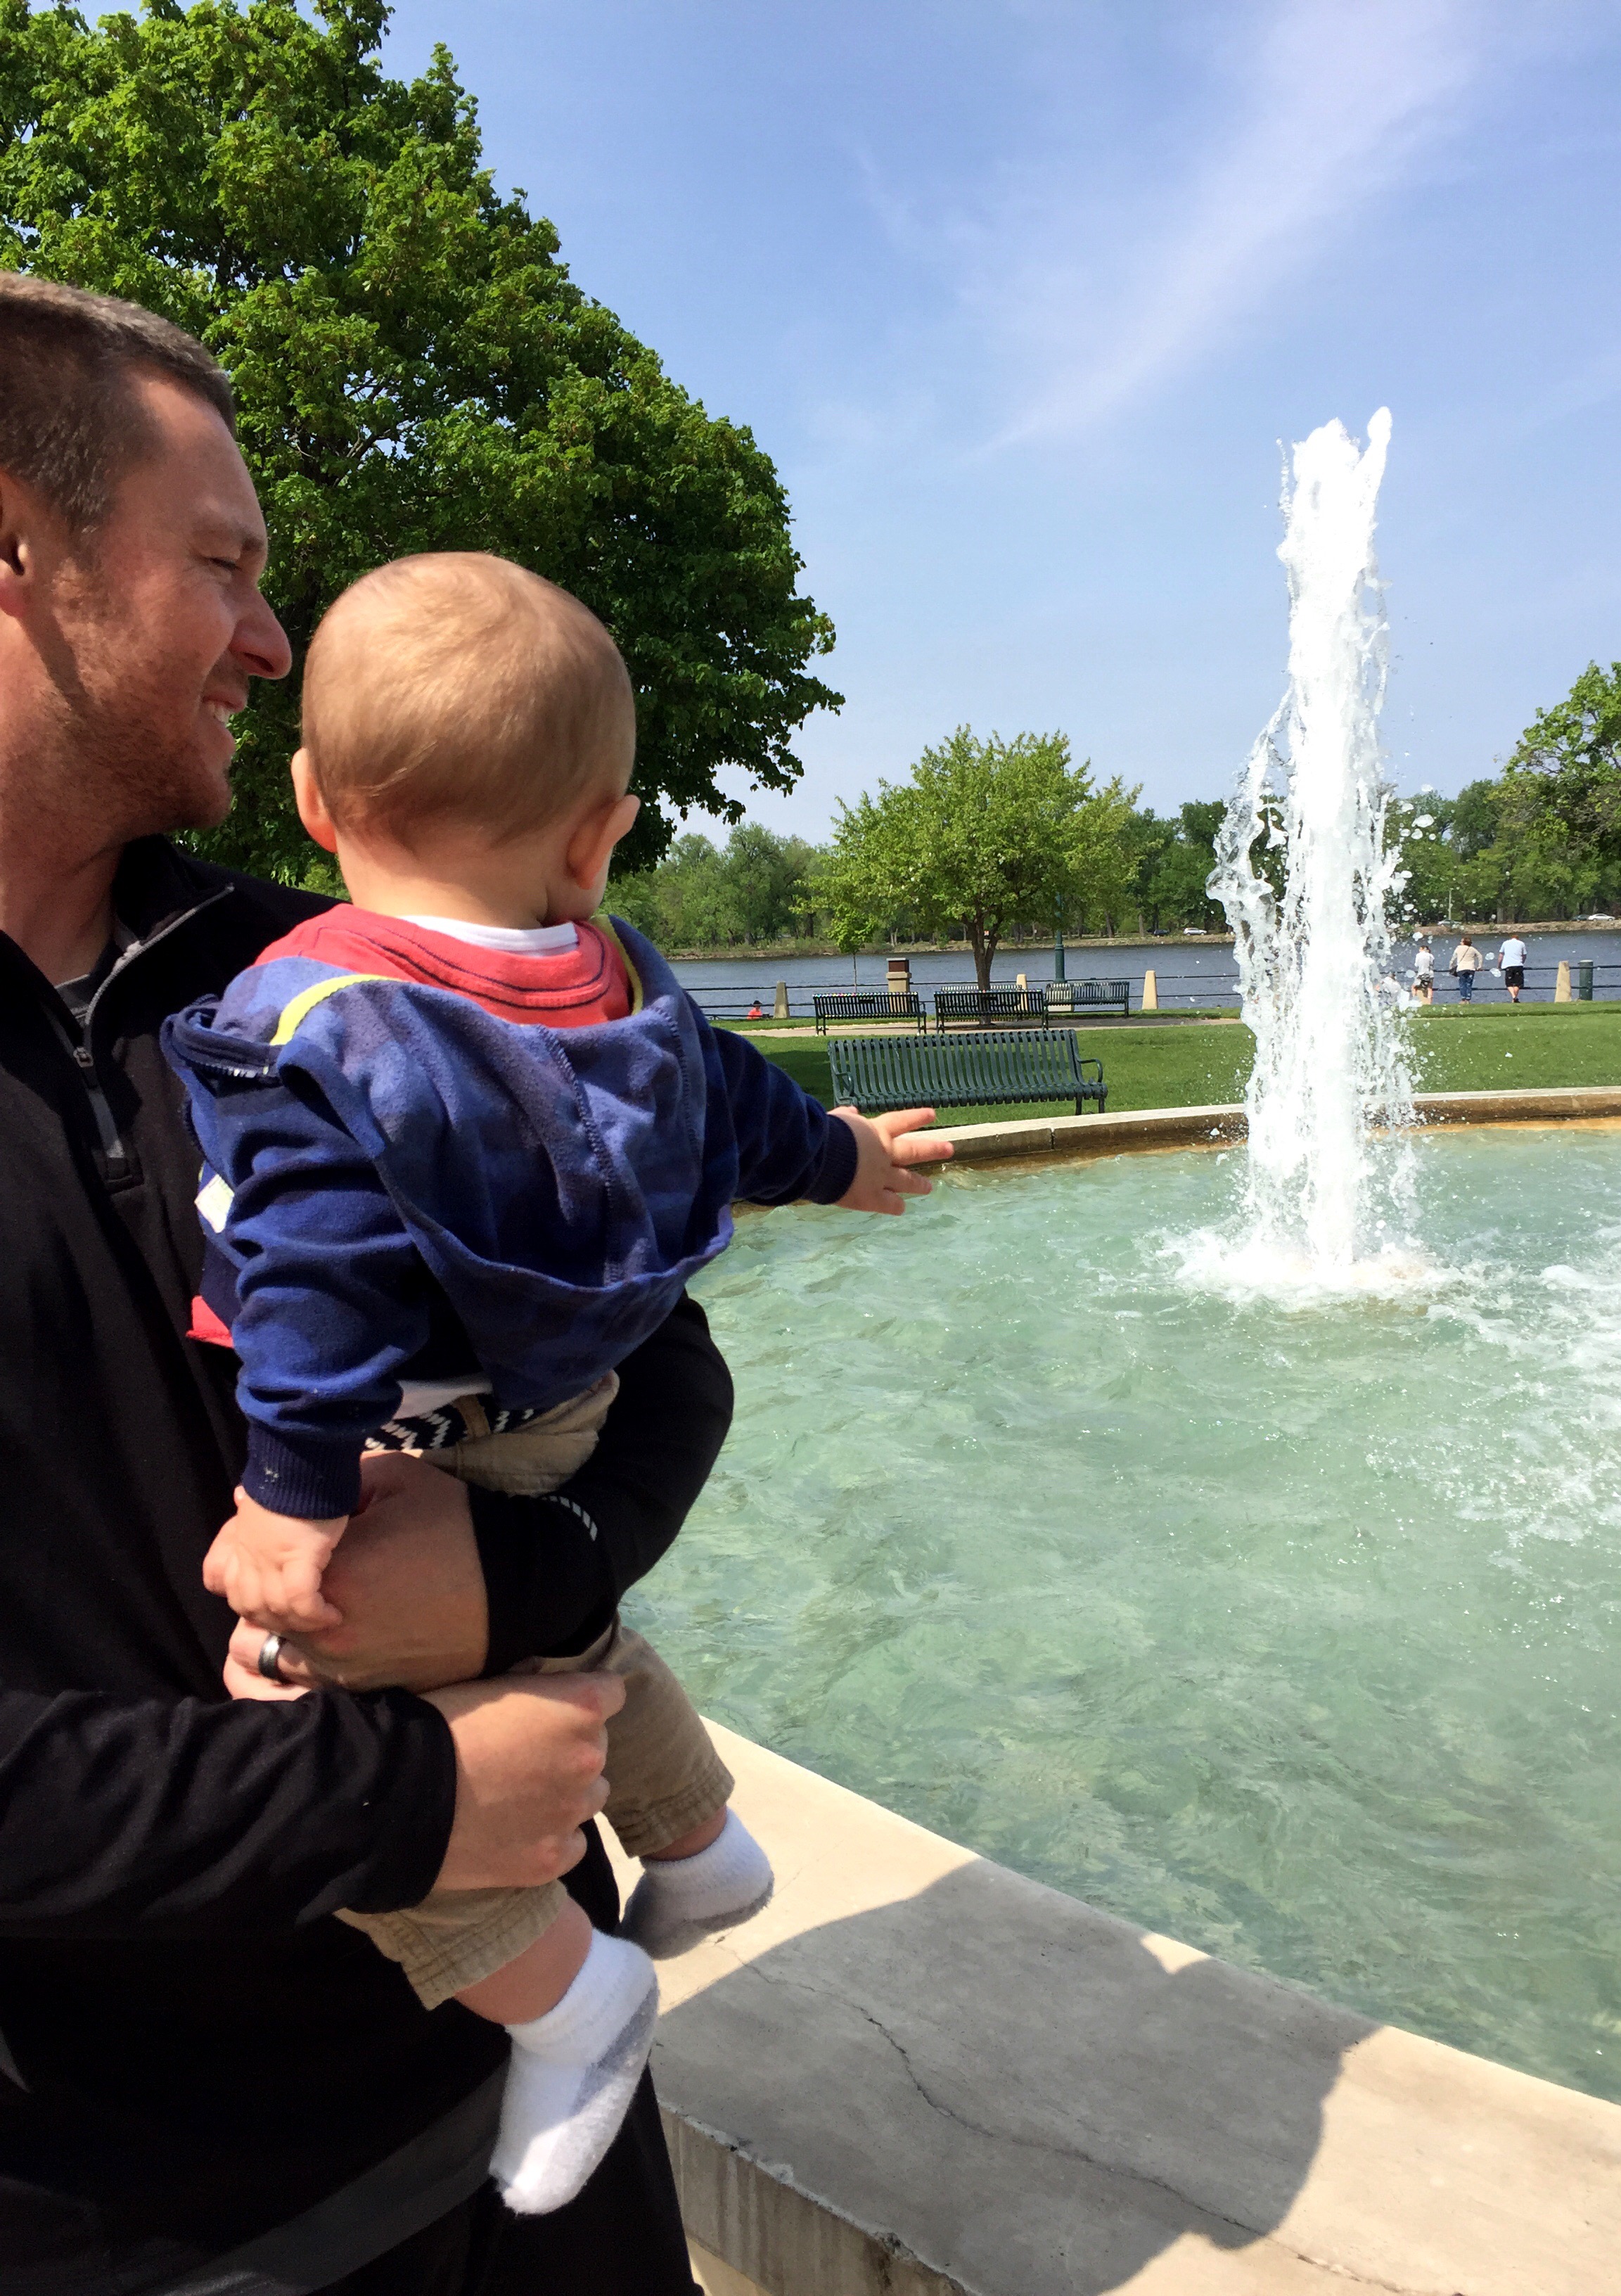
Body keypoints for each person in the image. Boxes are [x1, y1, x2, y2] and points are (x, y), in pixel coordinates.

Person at [0, 269, 724, 2292]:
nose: (275, 639)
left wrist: (522, 1574)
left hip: (540, 2141)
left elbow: (665, 1368)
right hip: (133, 2231)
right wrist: (396, 1801)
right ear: (16, 549)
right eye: (223, 565)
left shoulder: (342, 977)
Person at [164, 552, 950, 2217]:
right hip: (568, 1405)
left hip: (411, 1420)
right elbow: (745, 1111)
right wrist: (849, 1157)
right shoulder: (622, 990)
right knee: (548, 1629)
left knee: (301, 1723)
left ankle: (564, 1995)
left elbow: (316, 1276)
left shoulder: (325, 1017)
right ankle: (700, 1840)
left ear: (311, 801)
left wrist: (292, 1498)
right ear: (597, 840)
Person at [1448, 933, 1483, 1002]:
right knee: (1469, 984)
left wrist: (1451, 967)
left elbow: (1453, 958)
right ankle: (1468, 999)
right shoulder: (1472, 949)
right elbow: (1480, 956)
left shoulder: (1458, 948)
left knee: (1462, 984)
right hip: (1471, 969)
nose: (1460, 943)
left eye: (1461, 941)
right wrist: (1479, 966)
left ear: (1464, 942)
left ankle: (1463, 999)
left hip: (1461, 969)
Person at [1497, 930, 1529, 1002]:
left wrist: (1499, 965)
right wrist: (1522, 962)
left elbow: (1501, 955)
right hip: (1518, 965)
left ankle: (1513, 996)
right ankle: (1514, 998)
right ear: (1518, 938)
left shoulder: (1505, 943)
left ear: (1511, 938)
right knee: (1518, 983)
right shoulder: (1522, 943)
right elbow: (1524, 955)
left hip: (1508, 965)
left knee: (1509, 983)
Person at [1411, 936, 1435, 1003]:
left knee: (1414, 987)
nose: (1419, 950)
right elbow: (1432, 964)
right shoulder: (1431, 955)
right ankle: (1429, 1001)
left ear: (1422, 949)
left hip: (1421, 973)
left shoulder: (1418, 955)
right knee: (1429, 988)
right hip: (1430, 974)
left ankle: (1415, 1000)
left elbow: (1416, 964)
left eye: (1420, 949)